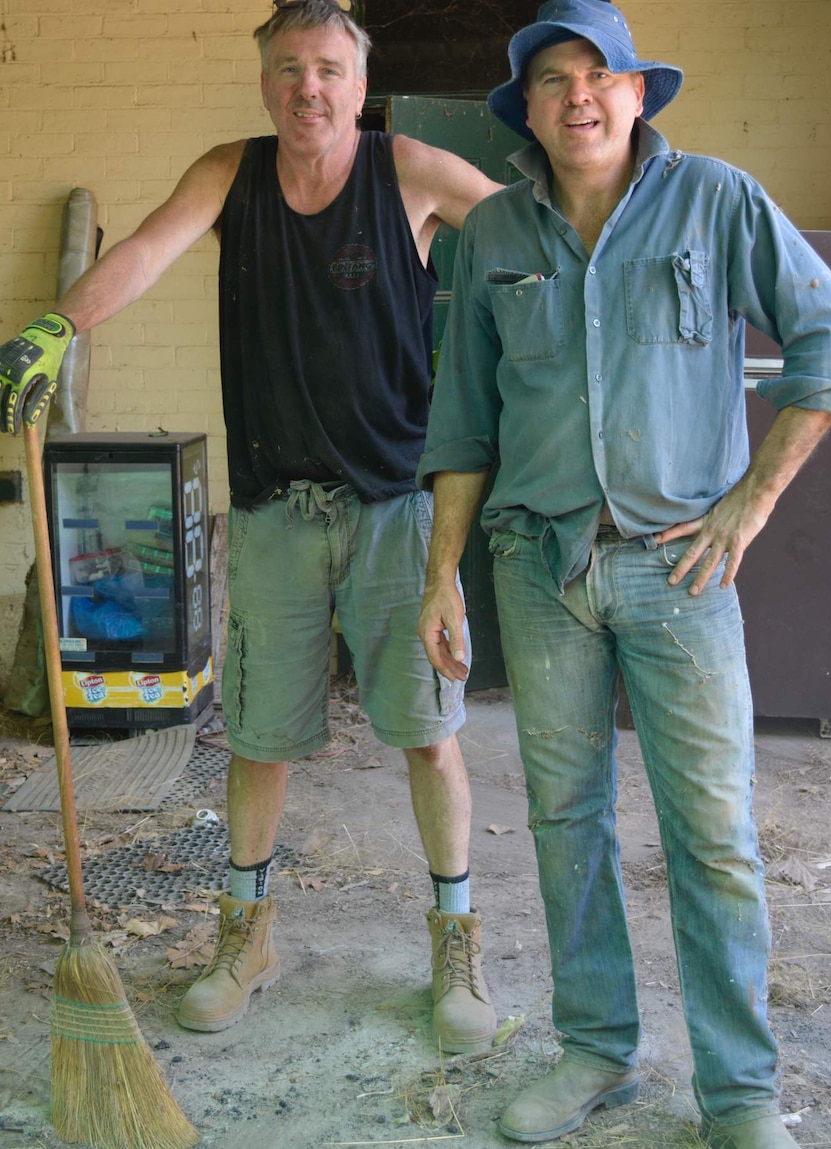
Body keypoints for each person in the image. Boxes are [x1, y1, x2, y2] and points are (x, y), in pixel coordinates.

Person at [0, 0, 502, 1054]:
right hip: (277, 508)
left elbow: (524, 236)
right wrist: (58, 324)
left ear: (360, 86)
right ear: (265, 81)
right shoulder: (230, 170)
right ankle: (247, 935)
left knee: (427, 734)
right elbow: (144, 249)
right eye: (287, 69)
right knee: (262, 741)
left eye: (327, 68)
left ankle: (455, 944)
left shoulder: (406, 168)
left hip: (398, 510)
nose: (307, 87)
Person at [416, 0, 831, 1145]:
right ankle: (595, 1052)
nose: (577, 96)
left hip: (682, 575)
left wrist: (751, 506)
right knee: (567, 826)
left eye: (598, 74)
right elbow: (464, 424)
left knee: (711, 833)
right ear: (526, 108)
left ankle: (739, 1094)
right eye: (552, 79)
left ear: (635, 93)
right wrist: (441, 576)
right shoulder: (493, 236)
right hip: (540, 569)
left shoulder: (713, 198)